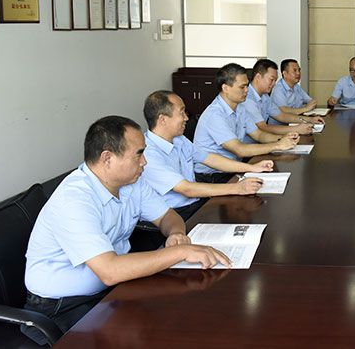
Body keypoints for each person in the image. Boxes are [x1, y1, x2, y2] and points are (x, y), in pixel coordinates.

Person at [22, 116, 230, 344]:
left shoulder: (132, 182)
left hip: (112, 289)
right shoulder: (74, 200)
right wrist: (180, 252)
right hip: (62, 306)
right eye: (138, 154)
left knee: (184, 314)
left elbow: (168, 216)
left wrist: (176, 234)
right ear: (107, 158)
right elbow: (109, 270)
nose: (145, 162)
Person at [142, 90, 275, 221]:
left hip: (194, 203)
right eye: (181, 112)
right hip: (172, 215)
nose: (186, 118)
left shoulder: (179, 139)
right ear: (163, 119)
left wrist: (252, 168)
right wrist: (237, 188)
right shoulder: (148, 153)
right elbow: (186, 189)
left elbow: (210, 158)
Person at [194, 63, 298, 183]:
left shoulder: (240, 107)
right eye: (242, 87)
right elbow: (239, 150)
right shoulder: (215, 115)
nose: (247, 90)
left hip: (234, 167)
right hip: (213, 176)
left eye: (247, 86)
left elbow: (258, 135)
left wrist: (283, 138)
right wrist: (278, 145)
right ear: (226, 88)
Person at [245, 59, 324, 140]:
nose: (274, 84)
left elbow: (282, 116)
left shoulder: (264, 96)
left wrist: (309, 119)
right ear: (258, 77)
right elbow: (263, 127)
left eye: (275, 80)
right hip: (252, 144)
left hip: (264, 140)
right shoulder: (247, 98)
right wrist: (296, 129)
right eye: (271, 80)